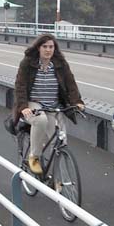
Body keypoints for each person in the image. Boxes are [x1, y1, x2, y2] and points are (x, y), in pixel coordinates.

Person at [13, 34, 84, 175]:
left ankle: (57, 180)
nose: (48, 50)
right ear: (38, 48)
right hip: (34, 104)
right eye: (44, 47)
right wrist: (24, 107)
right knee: (40, 120)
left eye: (51, 47)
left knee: (58, 144)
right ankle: (34, 156)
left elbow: (71, 84)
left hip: (53, 106)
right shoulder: (28, 63)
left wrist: (77, 102)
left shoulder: (60, 64)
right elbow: (20, 86)